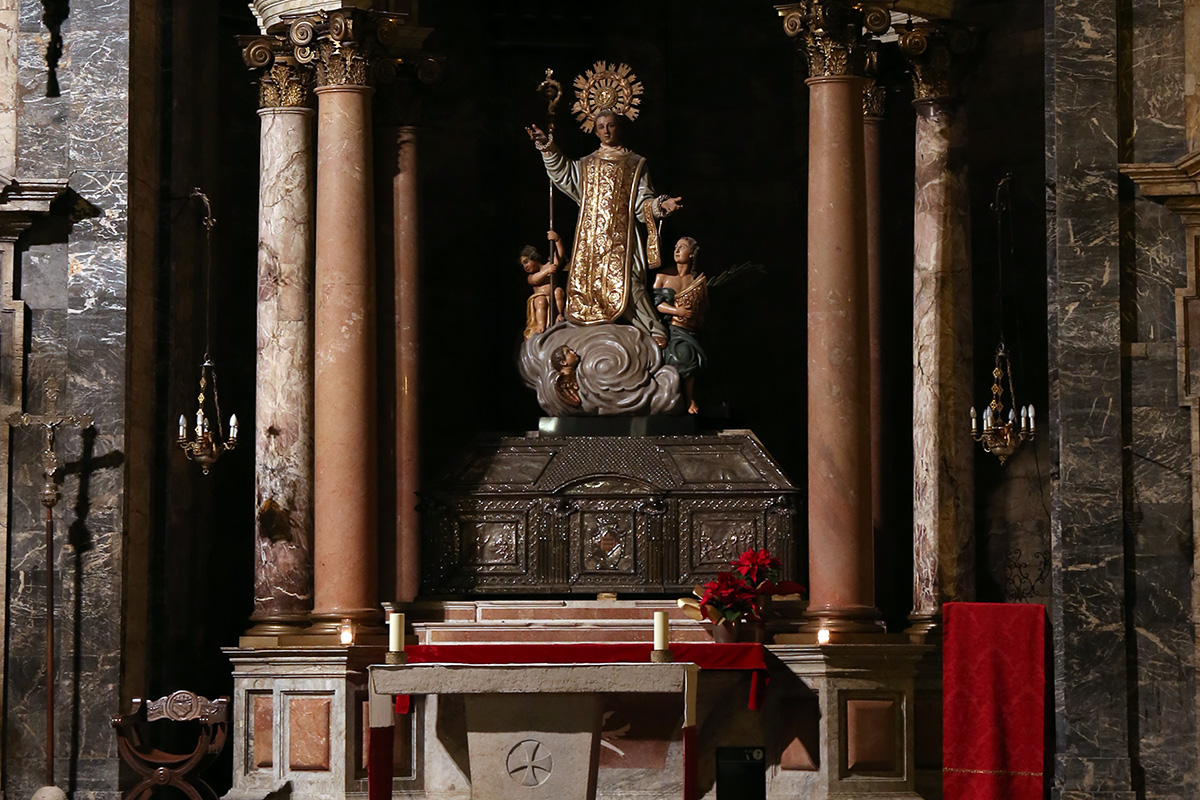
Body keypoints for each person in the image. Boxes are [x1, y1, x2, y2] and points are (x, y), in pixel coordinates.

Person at [526, 109, 681, 346]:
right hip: (592, 238)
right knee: (591, 282)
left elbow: (643, 203)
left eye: (610, 125)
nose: (606, 130)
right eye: (601, 126)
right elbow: (565, 175)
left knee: (632, 283)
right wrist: (547, 147)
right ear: (595, 130)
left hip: (625, 236)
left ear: (619, 127)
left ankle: (651, 326)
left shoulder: (635, 164)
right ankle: (596, 327)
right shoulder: (587, 164)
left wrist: (661, 205)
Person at [654, 236, 708, 414]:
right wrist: (677, 312)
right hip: (667, 327)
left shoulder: (697, 281)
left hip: (688, 329)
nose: (676, 250)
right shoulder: (663, 276)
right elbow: (656, 304)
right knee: (681, 353)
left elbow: (703, 306)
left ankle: (689, 397)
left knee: (689, 354)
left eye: (682, 247)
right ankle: (678, 396)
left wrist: (695, 318)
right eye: (676, 247)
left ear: (691, 254)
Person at [520, 230, 566, 339]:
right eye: (523, 265)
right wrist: (547, 271)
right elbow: (536, 280)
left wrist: (557, 240)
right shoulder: (531, 276)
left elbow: (559, 256)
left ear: (534, 257)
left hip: (553, 298)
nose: (525, 266)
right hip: (539, 299)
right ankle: (541, 324)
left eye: (526, 262)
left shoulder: (549, 265)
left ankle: (559, 314)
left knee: (558, 291)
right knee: (541, 300)